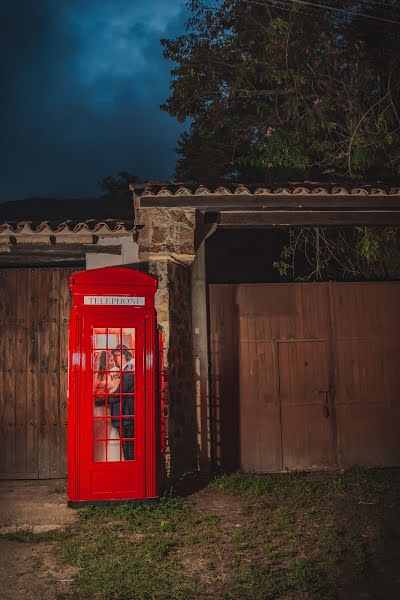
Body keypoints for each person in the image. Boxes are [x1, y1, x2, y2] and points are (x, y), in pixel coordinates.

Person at [108, 345, 134, 461]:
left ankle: (131, 471)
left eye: (116, 355)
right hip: (123, 416)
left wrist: (102, 399)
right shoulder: (124, 371)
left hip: (126, 416)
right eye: (113, 356)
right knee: (126, 447)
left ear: (124, 356)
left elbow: (120, 393)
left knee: (128, 448)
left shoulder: (129, 372)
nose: (114, 358)